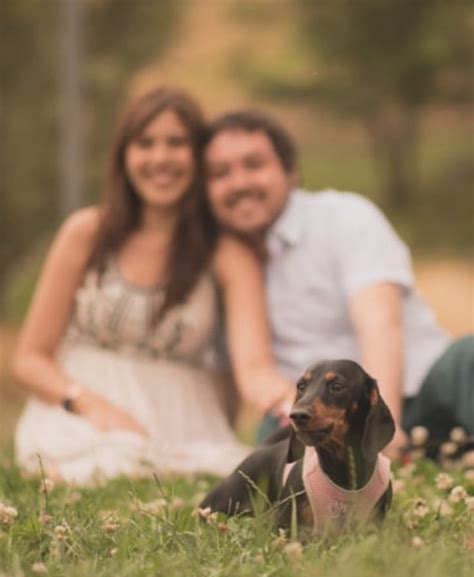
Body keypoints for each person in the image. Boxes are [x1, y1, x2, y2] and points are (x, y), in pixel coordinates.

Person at [13, 88, 294, 484]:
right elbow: (29, 358)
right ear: (124, 155)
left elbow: (254, 368)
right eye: (145, 143)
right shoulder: (86, 232)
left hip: (182, 418)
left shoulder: (226, 253)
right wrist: (88, 405)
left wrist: (291, 404)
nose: (160, 158)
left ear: (198, 156)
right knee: (100, 467)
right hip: (79, 411)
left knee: (212, 474)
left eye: (176, 143)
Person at [203, 110, 474, 457]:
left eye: (254, 165)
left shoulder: (343, 216)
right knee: (273, 431)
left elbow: (380, 325)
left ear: (290, 173)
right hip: (320, 417)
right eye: (220, 173)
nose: (239, 182)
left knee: (468, 356)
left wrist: (380, 434)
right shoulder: (218, 264)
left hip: (420, 393)